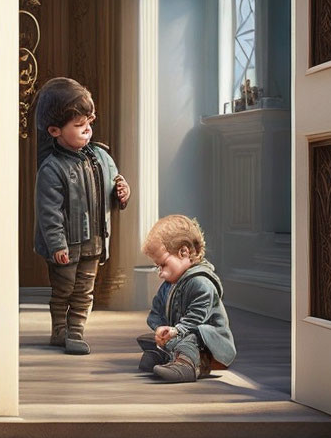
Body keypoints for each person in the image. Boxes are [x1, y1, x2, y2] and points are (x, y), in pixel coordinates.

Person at [33, 77, 130, 355]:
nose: (87, 130)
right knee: (63, 289)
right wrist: (57, 245)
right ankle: (59, 330)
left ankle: (75, 332)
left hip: (94, 242)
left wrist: (123, 192)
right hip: (65, 246)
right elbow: (49, 212)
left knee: (84, 291)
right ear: (54, 130)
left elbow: (114, 186)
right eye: (78, 126)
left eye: (89, 122)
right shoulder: (51, 169)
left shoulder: (101, 156)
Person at [137, 214, 236, 382]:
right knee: (150, 338)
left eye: (163, 265)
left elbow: (197, 317)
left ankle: (187, 366)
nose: (160, 273)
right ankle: (166, 356)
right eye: (157, 267)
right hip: (181, 332)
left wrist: (176, 330)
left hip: (209, 343)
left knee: (190, 339)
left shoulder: (201, 282)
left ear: (184, 252)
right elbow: (156, 310)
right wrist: (160, 328)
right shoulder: (169, 285)